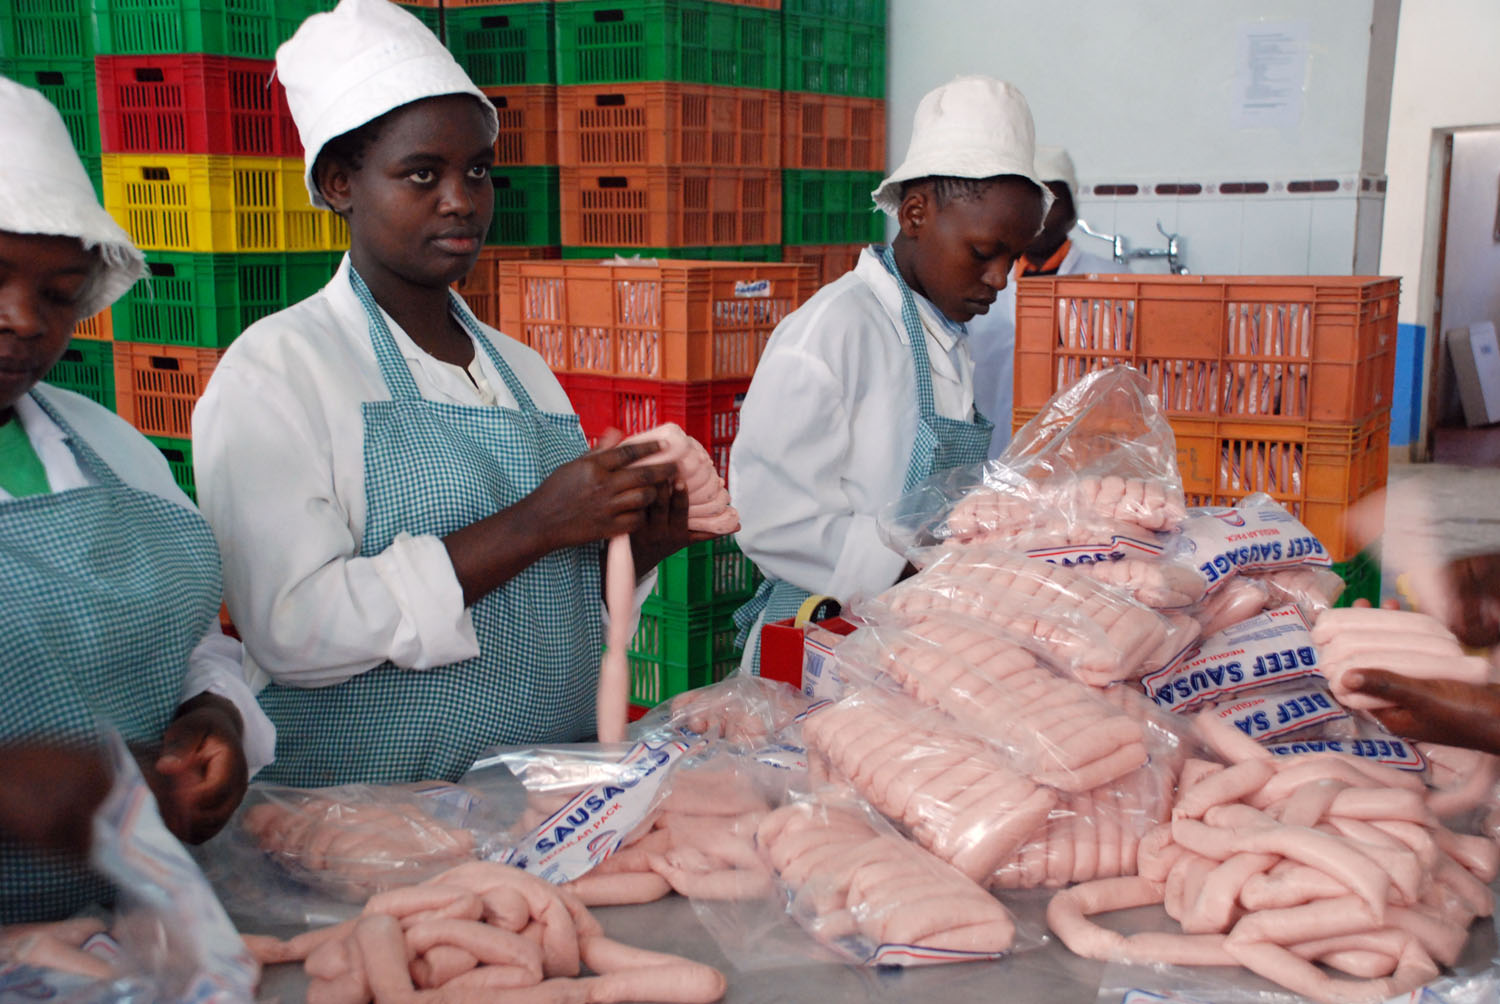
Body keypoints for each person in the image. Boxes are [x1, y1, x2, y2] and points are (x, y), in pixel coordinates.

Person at [192, 0, 693, 788]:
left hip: (537, 799)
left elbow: (552, 610)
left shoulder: (523, 371)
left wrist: (634, 549)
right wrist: (535, 523)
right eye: (422, 174)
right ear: (339, 183)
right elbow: (290, 628)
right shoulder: (280, 371)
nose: (461, 199)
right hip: (372, 816)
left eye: (478, 171)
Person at [0, 75, 273, 923]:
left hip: (139, 931)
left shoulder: (107, 446)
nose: (25, 320)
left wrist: (213, 719)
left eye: (57, 294)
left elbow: (189, 639)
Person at [729, 76, 1050, 671]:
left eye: (1015, 258)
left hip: (915, 634)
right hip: (818, 635)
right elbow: (770, 521)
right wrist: (918, 566)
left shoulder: (944, 335)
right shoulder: (832, 331)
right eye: (984, 253)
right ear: (916, 212)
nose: (1002, 279)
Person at [969, 145, 1126, 458]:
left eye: (1051, 202)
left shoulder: (1111, 280)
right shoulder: (979, 281)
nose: (1039, 217)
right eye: (1029, 205)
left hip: (1084, 454)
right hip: (993, 449)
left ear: (1072, 209)